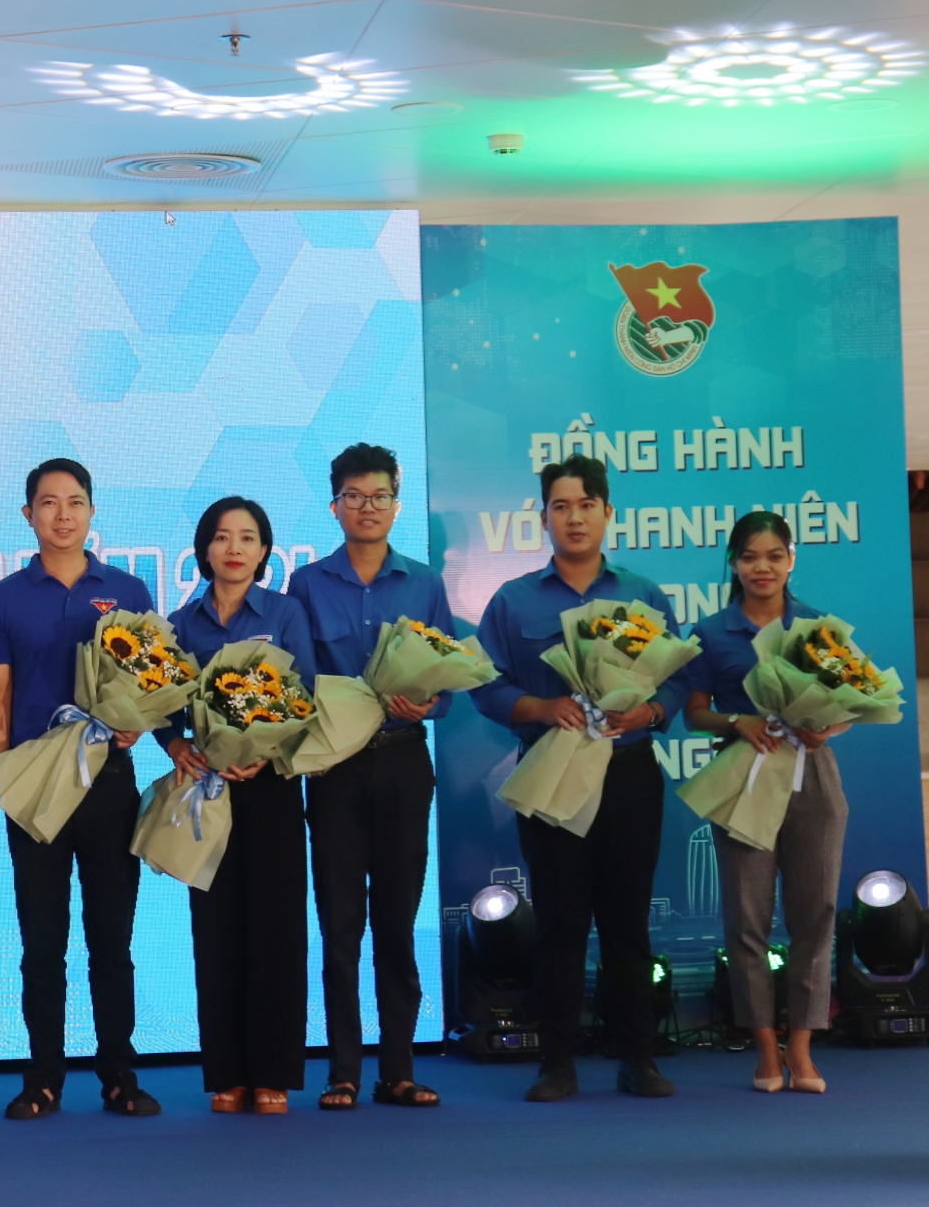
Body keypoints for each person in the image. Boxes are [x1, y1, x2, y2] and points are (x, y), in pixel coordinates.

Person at [472, 454, 687, 1103]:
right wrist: (538, 708)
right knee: (561, 922)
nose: (574, 517)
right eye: (560, 506)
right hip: (553, 770)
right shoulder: (513, 601)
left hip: (627, 772)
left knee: (627, 923)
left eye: (586, 505)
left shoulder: (642, 595)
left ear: (607, 514)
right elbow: (483, 681)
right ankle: (555, 1061)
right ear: (543, 517)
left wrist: (649, 710)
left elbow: (676, 679)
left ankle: (637, 1058)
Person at [0, 458, 161, 1121]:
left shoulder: (129, 590)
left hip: (109, 783)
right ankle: (43, 1078)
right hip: (34, 785)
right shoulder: (2, 600)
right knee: (42, 944)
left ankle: (119, 1074)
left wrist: (137, 723)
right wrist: (4, 784)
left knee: (111, 939)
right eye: (48, 503)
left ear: (91, 512)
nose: (62, 514)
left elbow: (152, 683)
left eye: (75, 502)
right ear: (27, 514)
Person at [286, 446, 451, 1112]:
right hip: (334, 770)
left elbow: (448, 676)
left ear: (396, 504)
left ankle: (400, 1068)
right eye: (355, 496)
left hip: (406, 759)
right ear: (335, 505)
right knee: (340, 922)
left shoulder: (424, 583)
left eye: (380, 496)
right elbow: (293, 685)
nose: (368, 507)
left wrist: (430, 704)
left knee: (396, 922)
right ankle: (344, 1070)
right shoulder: (306, 584)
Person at [684, 511, 849, 1095]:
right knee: (747, 920)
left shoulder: (817, 626)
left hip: (813, 780)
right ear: (733, 563)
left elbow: (852, 698)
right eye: (750, 557)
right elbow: (694, 712)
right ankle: (763, 1050)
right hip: (743, 779)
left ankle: (802, 1048)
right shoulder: (712, 630)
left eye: (774, 556)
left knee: (815, 916)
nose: (762, 567)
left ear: (791, 559)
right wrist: (738, 720)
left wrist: (828, 728)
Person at [165, 497, 316, 1115]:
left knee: (277, 929)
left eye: (247, 538)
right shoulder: (181, 623)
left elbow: (305, 695)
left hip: (273, 786)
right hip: (208, 789)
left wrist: (267, 749)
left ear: (263, 551)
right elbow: (164, 705)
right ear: (204, 550)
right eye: (222, 537)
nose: (234, 548)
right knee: (216, 929)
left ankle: (273, 1073)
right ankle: (226, 1073)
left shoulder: (286, 613)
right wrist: (174, 741)